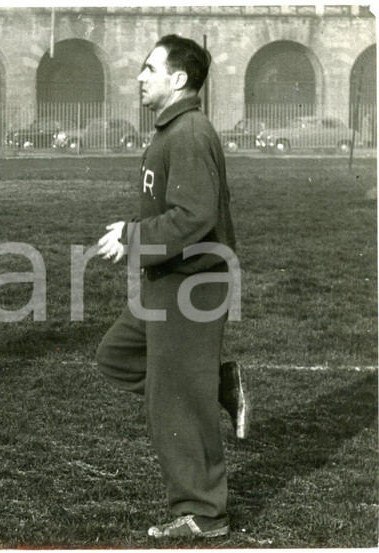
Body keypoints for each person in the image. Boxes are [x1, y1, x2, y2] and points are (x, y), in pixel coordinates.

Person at [95, 35, 247, 539]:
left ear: (178, 80)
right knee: (116, 355)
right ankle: (216, 382)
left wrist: (134, 238)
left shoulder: (188, 132)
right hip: (167, 281)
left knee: (174, 401)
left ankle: (205, 514)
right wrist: (131, 231)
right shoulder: (172, 129)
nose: (139, 76)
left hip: (193, 285)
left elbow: (195, 216)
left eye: (149, 68)